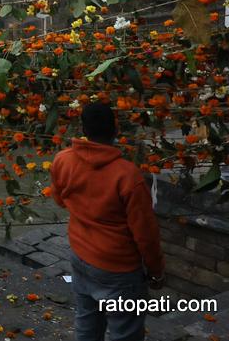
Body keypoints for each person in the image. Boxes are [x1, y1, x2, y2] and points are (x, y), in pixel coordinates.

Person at [50, 102, 165, 341]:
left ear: (84, 129)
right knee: (125, 332)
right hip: (119, 270)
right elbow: (145, 233)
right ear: (115, 130)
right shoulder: (127, 175)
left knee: (87, 324)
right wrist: (156, 271)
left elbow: (61, 200)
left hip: (81, 256)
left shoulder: (63, 160)